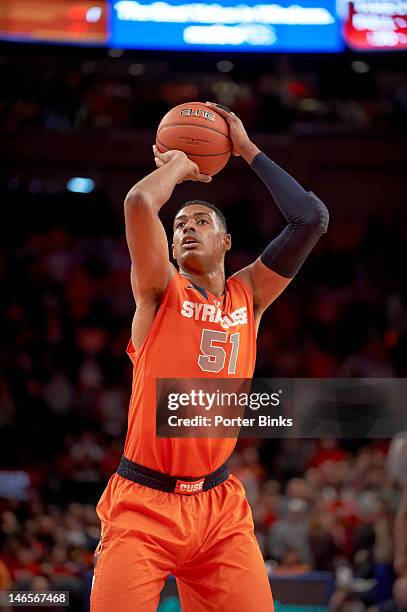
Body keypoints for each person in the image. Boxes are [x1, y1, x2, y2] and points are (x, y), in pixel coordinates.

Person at [90, 102, 329, 611]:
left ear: (226, 241)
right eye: (179, 225)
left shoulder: (251, 296)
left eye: (201, 219)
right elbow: (138, 204)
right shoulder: (160, 291)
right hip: (143, 503)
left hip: (218, 509)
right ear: (172, 247)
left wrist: (245, 149)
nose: (187, 228)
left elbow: (310, 218)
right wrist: (178, 166)